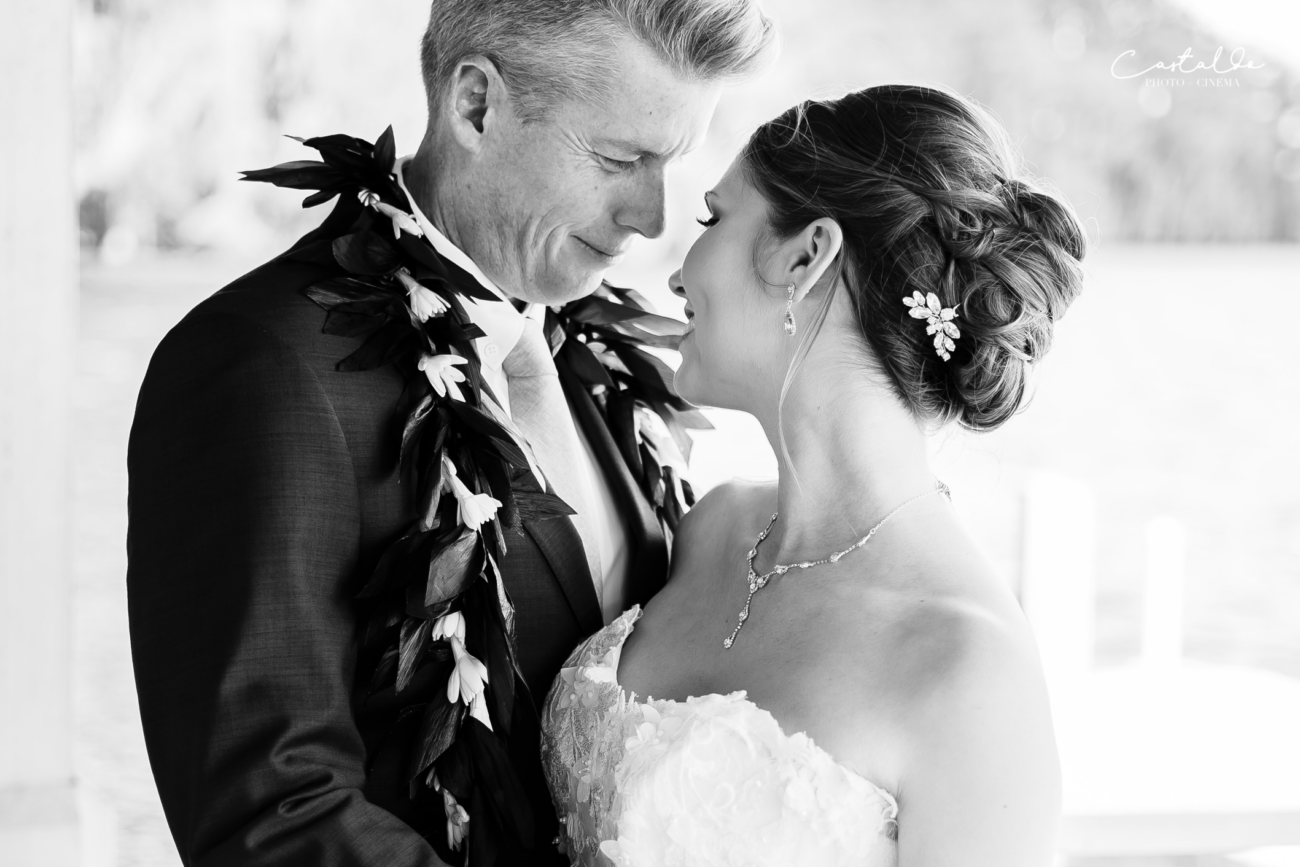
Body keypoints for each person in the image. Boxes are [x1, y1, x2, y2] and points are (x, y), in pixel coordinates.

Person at [126, 2, 773, 866]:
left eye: (675, 162)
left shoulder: (589, 347)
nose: (652, 217)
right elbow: (271, 813)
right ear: (475, 105)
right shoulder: (259, 367)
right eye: (622, 159)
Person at [540, 83, 1087, 867]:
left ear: (806, 255)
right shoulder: (711, 530)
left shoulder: (968, 669)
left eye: (713, 218)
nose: (674, 271)